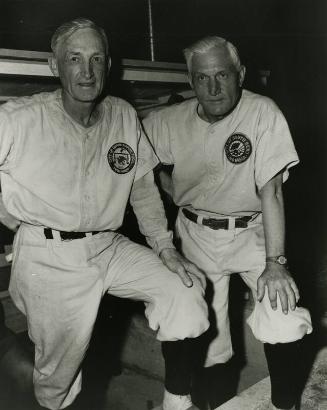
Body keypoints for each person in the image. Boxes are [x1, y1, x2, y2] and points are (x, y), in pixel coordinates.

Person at [0, 18, 210, 410]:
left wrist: (165, 248)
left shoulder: (123, 114)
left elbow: (143, 190)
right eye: (75, 59)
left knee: (184, 291)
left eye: (97, 58)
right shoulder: (18, 118)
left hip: (109, 245)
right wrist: (11, 218)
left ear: (109, 65)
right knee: (59, 377)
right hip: (50, 257)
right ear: (54, 66)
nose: (87, 70)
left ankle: (177, 403)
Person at [142, 36, 313, 410]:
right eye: (202, 78)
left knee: (283, 316)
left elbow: (273, 192)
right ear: (191, 81)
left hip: (252, 231)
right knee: (203, 338)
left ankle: (286, 405)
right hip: (195, 234)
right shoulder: (169, 121)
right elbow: (138, 158)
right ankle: (189, 402)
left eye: (222, 74)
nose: (213, 87)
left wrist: (276, 263)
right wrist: (170, 189)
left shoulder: (262, 113)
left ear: (241, 75)